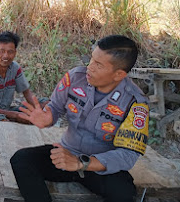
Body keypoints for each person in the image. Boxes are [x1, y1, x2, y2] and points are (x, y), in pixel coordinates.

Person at [10, 35, 149, 202]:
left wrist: (81, 163)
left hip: (99, 167)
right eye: (91, 59)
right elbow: (54, 107)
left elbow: (128, 155)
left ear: (118, 74)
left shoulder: (135, 102)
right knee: (22, 160)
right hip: (65, 155)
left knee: (124, 192)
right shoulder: (75, 78)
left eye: (98, 65)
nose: (90, 67)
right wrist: (47, 117)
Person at [0, 31, 48, 123]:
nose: (6, 56)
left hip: (7, 111)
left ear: (15, 53)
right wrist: (14, 115)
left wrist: (37, 109)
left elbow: (27, 93)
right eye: (2, 51)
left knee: (45, 103)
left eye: (10, 52)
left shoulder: (15, 68)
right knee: (1, 120)